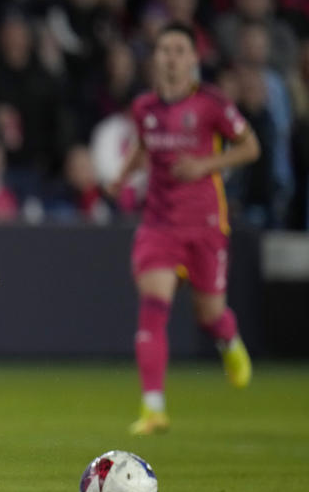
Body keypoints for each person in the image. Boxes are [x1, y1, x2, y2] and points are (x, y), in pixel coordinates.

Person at [110, 23, 261, 436]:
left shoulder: (212, 103)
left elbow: (251, 146)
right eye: (164, 50)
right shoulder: (144, 108)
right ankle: (153, 407)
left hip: (207, 225)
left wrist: (204, 165)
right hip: (158, 223)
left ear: (194, 59)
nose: (171, 57)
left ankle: (229, 341)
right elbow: (143, 144)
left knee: (209, 313)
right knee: (153, 307)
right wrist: (122, 176)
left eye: (179, 50)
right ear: (155, 58)